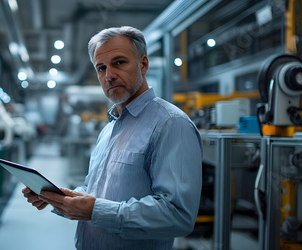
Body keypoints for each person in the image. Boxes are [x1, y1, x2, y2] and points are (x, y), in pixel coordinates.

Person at [23, 26, 202, 249]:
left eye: (119, 63)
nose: (109, 75)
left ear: (143, 64)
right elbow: (95, 192)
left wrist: (95, 211)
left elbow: (178, 215)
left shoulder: (170, 124)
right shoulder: (108, 129)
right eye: (101, 68)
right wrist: (60, 197)